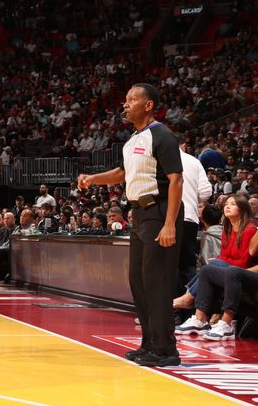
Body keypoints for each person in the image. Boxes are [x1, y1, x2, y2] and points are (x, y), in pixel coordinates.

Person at [78, 83, 184, 367]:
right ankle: (149, 343)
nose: (125, 105)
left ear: (148, 105)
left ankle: (166, 350)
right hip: (139, 215)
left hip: (159, 212)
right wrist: (92, 178)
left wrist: (170, 224)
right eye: (125, 100)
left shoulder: (162, 135)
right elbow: (121, 174)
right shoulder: (131, 141)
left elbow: (176, 180)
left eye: (131, 100)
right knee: (138, 280)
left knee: (157, 282)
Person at [175, 195, 258, 341]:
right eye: (226, 204)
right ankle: (199, 320)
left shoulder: (250, 229)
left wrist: (221, 261)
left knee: (221, 266)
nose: (227, 206)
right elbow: (225, 256)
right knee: (208, 268)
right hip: (235, 270)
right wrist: (220, 261)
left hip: (244, 271)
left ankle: (190, 299)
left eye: (233, 204)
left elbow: (244, 261)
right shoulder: (227, 229)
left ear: (243, 209)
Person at [175, 140, 213, 314]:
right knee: (188, 265)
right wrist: (191, 198)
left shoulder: (158, 159)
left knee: (169, 266)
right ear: (183, 145)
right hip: (189, 217)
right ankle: (194, 313)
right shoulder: (194, 161)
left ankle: (171, 311)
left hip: (165, 220)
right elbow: (206, 192)